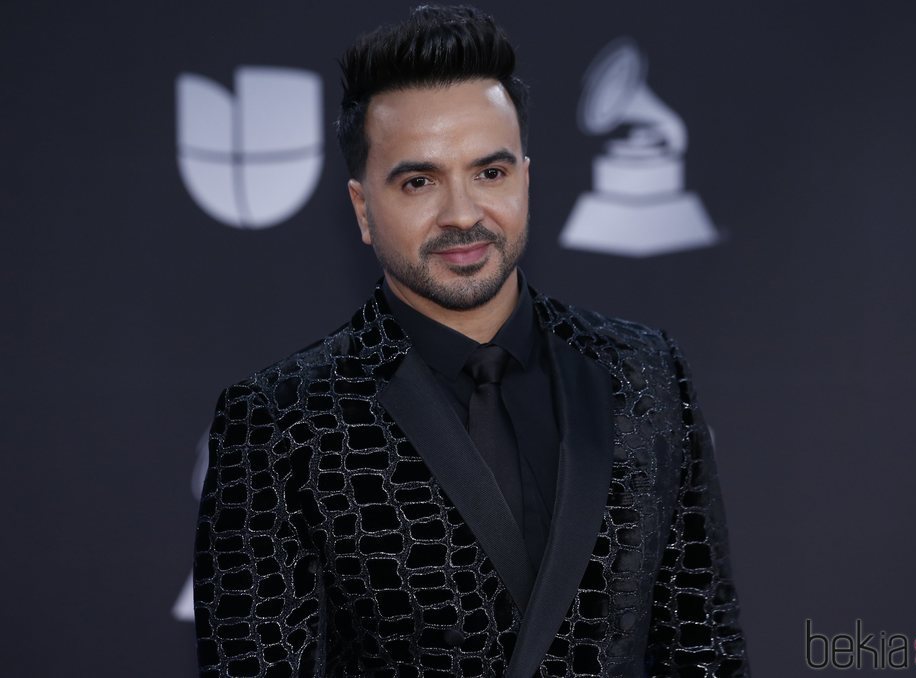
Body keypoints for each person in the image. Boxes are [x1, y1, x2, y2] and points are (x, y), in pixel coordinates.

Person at [193, 5, 749, 677]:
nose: (462, 214)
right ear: (362, 208)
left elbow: (704, 644)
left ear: (526, 179)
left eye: (490, 173)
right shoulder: (279, 421)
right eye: (419, 181)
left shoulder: (646, 373)